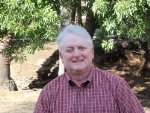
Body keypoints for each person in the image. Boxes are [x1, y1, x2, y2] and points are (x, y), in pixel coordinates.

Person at [34, 25, 144, 113]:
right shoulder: (49, 93)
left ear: (92, 53)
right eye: (69, 49)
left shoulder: (116, 87)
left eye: (82, 48)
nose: (76, 54)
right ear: (62, 57)